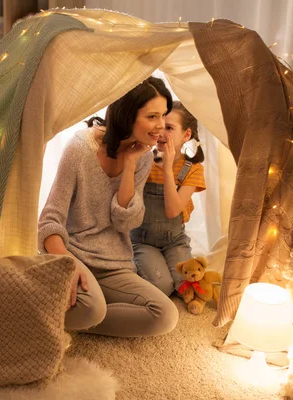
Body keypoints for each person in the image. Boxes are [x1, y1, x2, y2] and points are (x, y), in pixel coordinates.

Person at [38, 76, 179, 337]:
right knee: (92, 309)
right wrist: (69, 263)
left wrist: (129, 165)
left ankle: (79, 313)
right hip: (73, 255)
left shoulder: (143, 159)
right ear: (127, 117)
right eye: (152, 116)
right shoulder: (80, 147)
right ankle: (81, 310)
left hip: (115, 265)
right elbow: (49, 220)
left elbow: (125, 222)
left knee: (165, 316)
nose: (161, 125)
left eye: (163, 115)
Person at [131, 101, 206, 296]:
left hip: (174, 240)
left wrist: (167, 169)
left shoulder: (193, 169)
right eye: (159, 125)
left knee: (185, 284)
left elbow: (173, 210)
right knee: (162, 287)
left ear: (186, 135)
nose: (161, 132)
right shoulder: (142, 160)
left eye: (169, 127)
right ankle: (135, 264)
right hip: (143, 239)